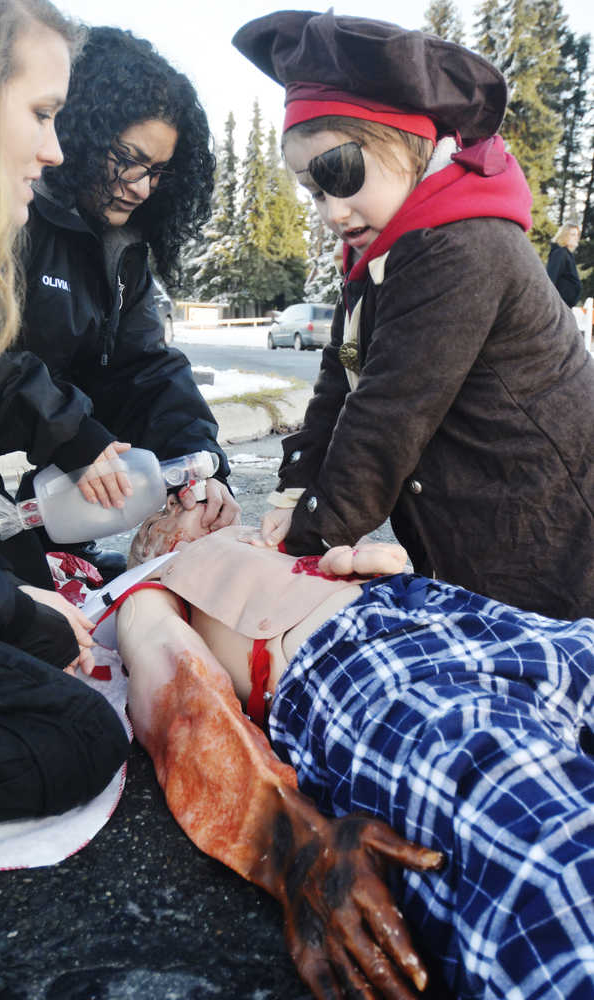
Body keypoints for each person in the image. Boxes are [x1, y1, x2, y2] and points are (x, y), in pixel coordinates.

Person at [111, 496, 594, 1000]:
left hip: (464, 615)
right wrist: (288, 842)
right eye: (171, 502)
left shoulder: (271, 533)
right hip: (363, 664)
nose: (196, 492)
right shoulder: (154, 582)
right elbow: (179, 696)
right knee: (537, 837)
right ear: (154, 538)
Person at [228, 10, 594, 622]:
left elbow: (389, 411)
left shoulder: (460, 245)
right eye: (314, 191)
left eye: (340, 173)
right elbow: (339, 384)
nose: (332, 211)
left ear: (410, 144)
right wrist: (295, 489)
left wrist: (308, 536)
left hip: (553, 540)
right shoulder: (379, 256)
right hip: (482, 538)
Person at [0, 0, 129, 837]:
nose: (52, 151)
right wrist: (12, 607)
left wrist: (86, 441)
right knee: (80, 734)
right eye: (41, 115)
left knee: (24, 608)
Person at [0, 24, 239, 584]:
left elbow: (143, 370)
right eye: (130, 159)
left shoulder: (124, 249)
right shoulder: (9, 206)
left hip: (35, 439)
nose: (141, 186)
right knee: (14, 600)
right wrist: (74, 439)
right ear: (84, 130)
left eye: (158, 173)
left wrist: (201, 463)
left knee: (66, 589)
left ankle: (60, 556)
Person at [547, 222, 582, 307]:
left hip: (565, 306)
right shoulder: (560, 253)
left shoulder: (567, 254)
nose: (576, 238)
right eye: (573, 235)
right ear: (564, 235)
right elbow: (551, 279)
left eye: (577, 235)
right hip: (558, 306)